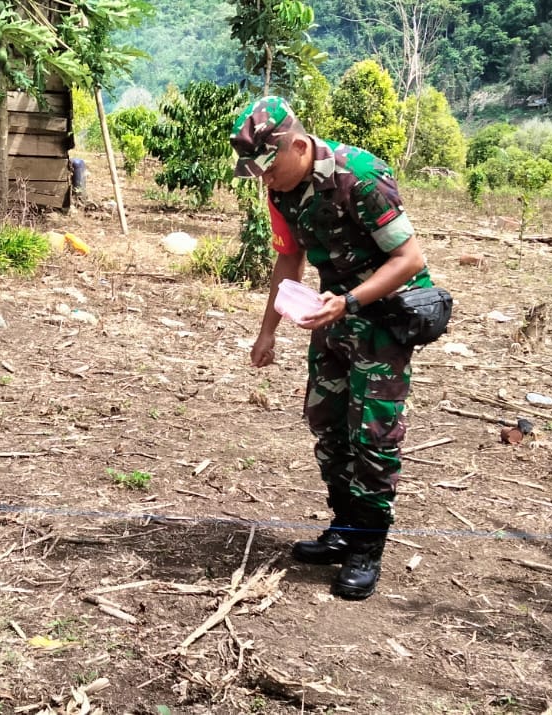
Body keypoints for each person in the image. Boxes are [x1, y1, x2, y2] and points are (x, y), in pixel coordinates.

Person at [233, 96, 433, 600]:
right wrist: (268, 331)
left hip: (385, 318)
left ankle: (367, 546)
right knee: (327, 422)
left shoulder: (361, 177)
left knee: (373, 432)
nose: (265, 179)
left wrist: (349, 302)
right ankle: (344, 527)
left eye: (270, 167)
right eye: (258, 172)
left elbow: (409, 260)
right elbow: (289, 260)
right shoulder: (282, 191)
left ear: (299, 147)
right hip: (331, 314)